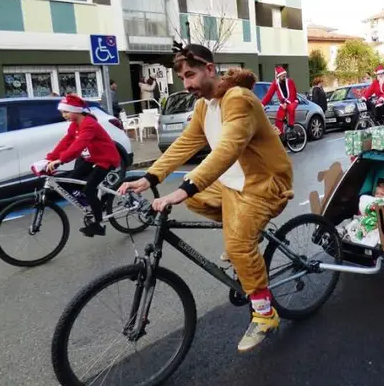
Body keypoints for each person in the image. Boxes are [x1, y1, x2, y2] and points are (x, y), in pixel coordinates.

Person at [117, 44, 294, 353]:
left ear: (210, 69)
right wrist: (150, 178)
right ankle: (244, 236)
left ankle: (265, 315)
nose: (186, 84)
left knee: (237, 244)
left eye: (190, 75)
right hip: (231, 183)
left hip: (263, 183)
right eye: (181, 78)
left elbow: (228, 150)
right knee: (196, 201)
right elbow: (184, 144)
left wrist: (186, 185)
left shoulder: (238, 100)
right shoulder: (203, 107)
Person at [45, 94, 122, 237]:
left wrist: (60, 160)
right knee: (70, 181)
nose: (64, 115)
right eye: (62, 112)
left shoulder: (89, 124)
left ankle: (98, 224)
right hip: (92, 158)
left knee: (90, 189)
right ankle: (95, 204)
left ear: (77, 110)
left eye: (66, 111)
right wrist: (49, 158)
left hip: (106, 159)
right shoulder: (75, 125)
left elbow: (78, 145)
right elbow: (66, 142)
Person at [262, 66, 298, 134]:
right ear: (278, 77)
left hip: (292, 101)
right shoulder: (275, 83)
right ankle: (280, 136)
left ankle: (291, 126)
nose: (285, 78)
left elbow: (293, 94)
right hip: (283, 104)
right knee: (279, 119)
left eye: (285, 76)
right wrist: (262, 104)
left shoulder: (290, 82)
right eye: (283, 76)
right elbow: (269, 95)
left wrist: (286, 103)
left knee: (291, 108)